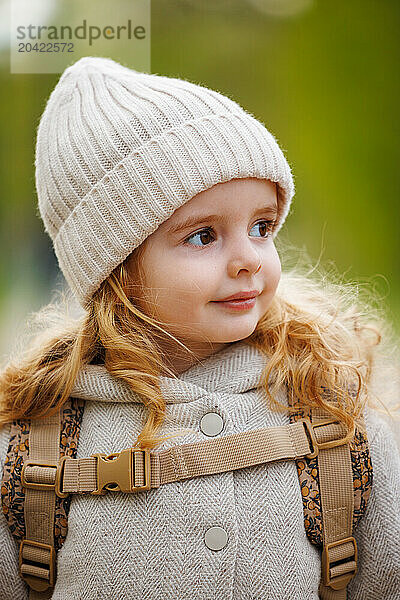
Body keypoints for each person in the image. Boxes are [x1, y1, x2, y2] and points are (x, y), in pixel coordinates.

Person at [0, 56, 399, 600]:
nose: (248, 260)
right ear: (117, 271)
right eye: (203, 236)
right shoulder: (35, 448)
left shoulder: (333, 415)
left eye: (262, 226)